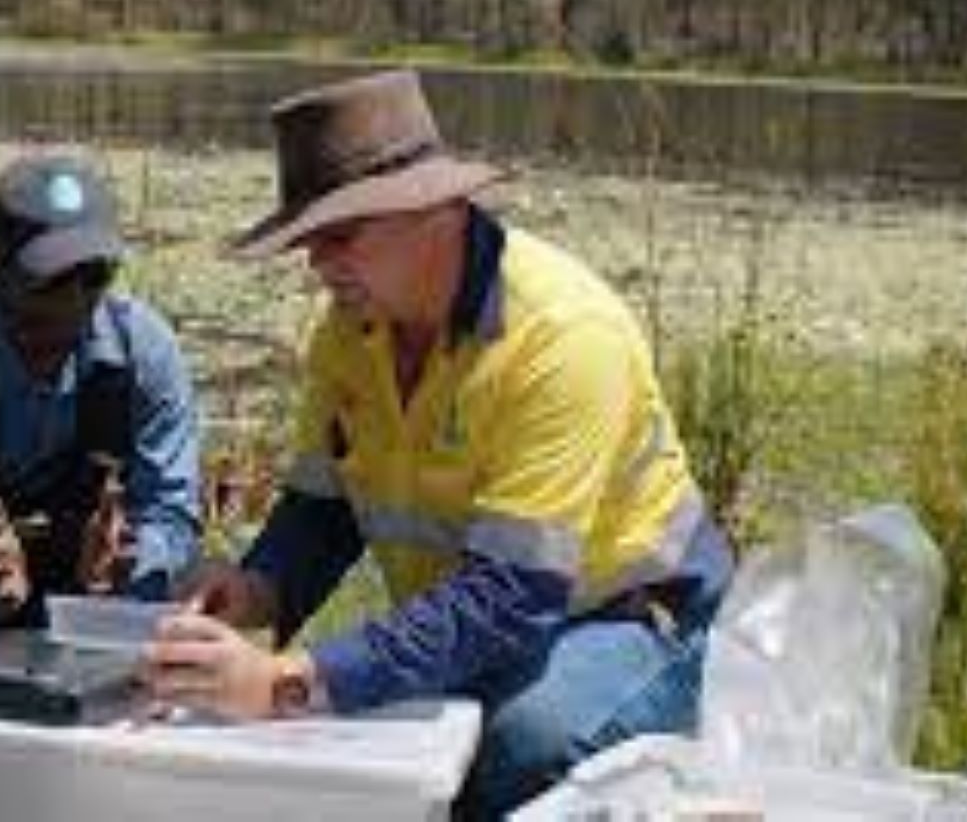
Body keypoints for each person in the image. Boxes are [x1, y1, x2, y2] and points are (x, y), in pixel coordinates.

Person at [140, 70, 735, 818]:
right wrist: (255, 589)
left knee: (519, 741)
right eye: (308, 240)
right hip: (492, 620)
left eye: (339, 235)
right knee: (377, 730)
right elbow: (321, 516)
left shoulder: (561, 336)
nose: (317, 265)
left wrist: (286, 682)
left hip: (637, 623)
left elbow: (511, 597)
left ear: (434, 212)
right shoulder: (347, 334)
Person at [0, 154, 202, 635]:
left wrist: (131, 563)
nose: (73, 301)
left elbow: (171, 514)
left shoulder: (146, 352)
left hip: (101, 617)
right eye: (50, 278)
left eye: (95, 274)